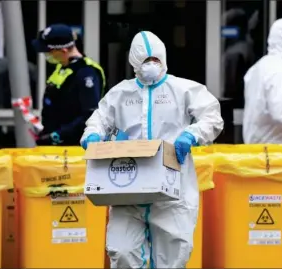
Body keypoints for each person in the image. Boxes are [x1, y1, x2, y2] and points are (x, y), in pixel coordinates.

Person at [80, 31, 223, 268]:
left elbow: (212, 117)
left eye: (155, 60)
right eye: (145, 61)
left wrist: (191, 135)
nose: (151, 66)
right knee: (122, 251)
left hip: (172, 190)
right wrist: (92, 134)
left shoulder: (183, 89)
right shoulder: (121, 94)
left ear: (164, 59)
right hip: (127, 188)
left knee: (173, 256)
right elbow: (99, 119)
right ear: (134, 62)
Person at [32, 24, 106, 146]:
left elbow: (89, 115)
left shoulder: (86, 72)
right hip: (55, 143)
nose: (46, 55)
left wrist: (57, 135)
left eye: (48, 51)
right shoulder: (62, 67)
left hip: (73, 147)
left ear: (63, 50)